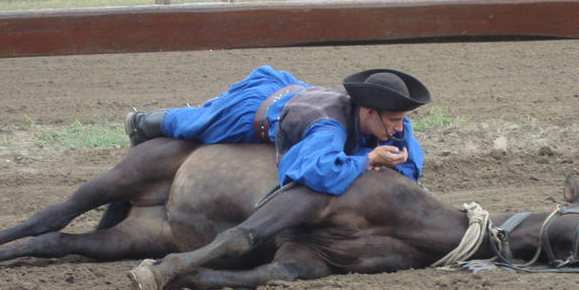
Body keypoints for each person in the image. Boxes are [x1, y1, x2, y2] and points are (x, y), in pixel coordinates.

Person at [124, 65, 431, 196]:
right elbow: (315, 171)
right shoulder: (328, 126)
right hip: (251, 110)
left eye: (401, 118)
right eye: (394, 119)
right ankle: (141, 123)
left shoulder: (391, 120)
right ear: (369, 112)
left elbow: (411, 164)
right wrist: (367, 161)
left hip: (291, 92)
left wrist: (387, 159)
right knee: (196, 123)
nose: (400, 127)